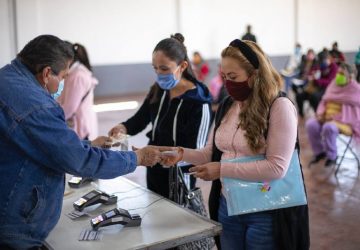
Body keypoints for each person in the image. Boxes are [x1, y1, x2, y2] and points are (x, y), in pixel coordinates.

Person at [0, 35, 161, 249]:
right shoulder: (38, 107)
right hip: (14, 219)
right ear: (47, 73)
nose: (63, 83)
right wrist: (137, 158)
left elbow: (41, 142)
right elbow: (79, 161)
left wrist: (88, 145)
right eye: (64, 77)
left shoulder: (7, 77)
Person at [159, 39, 309, 250]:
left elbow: (276, 168)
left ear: (255, 74)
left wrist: (221, 169)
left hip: (265, 210)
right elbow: (212, 152)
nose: (228, 83)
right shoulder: (228, 105)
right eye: (224, 77)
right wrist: (181, 154)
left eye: (233, 77)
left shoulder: (279, 106)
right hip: (228, 206)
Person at [108, 33, 212, 199]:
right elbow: (140, 119)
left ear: (183, 66)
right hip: (153, 171)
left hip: (178, 178)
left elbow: (197, 153)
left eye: (164, 69)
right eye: (155, 68)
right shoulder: (158, 90)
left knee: (175, 222)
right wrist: (123, 127)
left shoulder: (199, 102)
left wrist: (157, 154)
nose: (159, 74)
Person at [306, 63, 360, 167]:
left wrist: (334, 118)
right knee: (311, 124)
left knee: (329, 127)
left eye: (342, 73)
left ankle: (332, 156)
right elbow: (324, 101)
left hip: (345, 122)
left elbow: (355, 115)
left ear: (350, 76)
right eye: (338, 73)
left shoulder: (356, 89)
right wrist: (320, 114)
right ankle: (320, 152)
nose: (338, 75)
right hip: (326, 117)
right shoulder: (333, 84)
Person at [57, 43, 98, 140]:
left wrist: (50, 118)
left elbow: (69, 108)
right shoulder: (73, 73)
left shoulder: (77, 76)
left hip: (81, 129)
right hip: (78, 125)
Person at [295, 52, 337, 117]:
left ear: (328, 58)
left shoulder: (334, 67)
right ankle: (301, 114)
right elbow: (315, 72)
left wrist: (317, 80)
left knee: (314, 97)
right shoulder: (320, 65)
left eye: (323, 60)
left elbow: (329, 82)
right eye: (320, 61)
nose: (321, 62)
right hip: (315, 87)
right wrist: (311, 75)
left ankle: (319, 114)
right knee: (299, 96)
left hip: (326, 88)